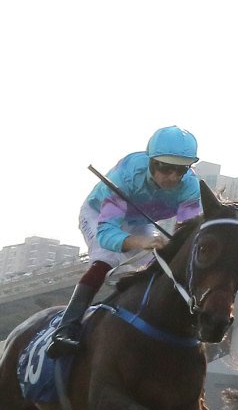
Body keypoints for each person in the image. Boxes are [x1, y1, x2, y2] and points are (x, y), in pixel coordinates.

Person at [49, 126, 203, 357]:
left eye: (180, 170)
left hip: (139, 220)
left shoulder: (190, 186)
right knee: (106, 258)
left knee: (160, 264)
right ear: (151, 161)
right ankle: (66, 328)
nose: (172, 177)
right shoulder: (125, 176)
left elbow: (188, 233)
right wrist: (139, 242)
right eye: (165, 167)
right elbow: (107, 234)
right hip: (99, 215)